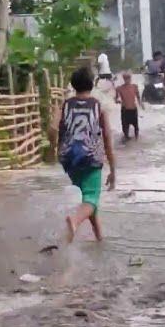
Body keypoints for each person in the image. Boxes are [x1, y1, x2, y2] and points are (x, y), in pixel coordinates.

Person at [49, 67, 116, 243]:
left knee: (89, 197)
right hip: (90, 157)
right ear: (92, 84)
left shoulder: (64, 105)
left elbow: (52, 129)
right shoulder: (97, 106)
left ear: (73, 84)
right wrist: (113, 169)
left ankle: (99, 237)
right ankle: (75, 221)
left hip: (69, 160)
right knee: (91, 198)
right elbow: (108, 137)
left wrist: (54, 149)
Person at [115, 71, 143, 141]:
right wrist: (118, 101)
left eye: (128, 78)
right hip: (125, 110)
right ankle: (127, 141)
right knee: (125, 128)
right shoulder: (119, 88)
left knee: (136, 128)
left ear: (130, 78)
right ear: (123, 79)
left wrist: (141, 105)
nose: (127, 79)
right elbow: (116, 99)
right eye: (126, 78)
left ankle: (136, 141)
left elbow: (138, 97)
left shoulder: (134, 86)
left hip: (133, 109)